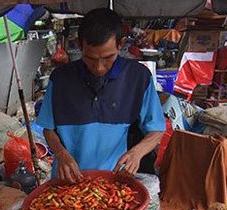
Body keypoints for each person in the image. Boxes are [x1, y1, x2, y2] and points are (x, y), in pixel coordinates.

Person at [37, 8, 165, 182]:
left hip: (112, 182)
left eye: (107, 57)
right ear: (79, 45)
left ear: (121, 44)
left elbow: (156, 129)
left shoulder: (138, 78)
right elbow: (48, 128)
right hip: (67, 180)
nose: (99, 67)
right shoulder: (60, 79)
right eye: (90, 58)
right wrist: (61, 155)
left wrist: (137, 152)